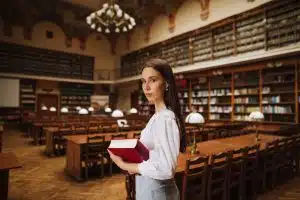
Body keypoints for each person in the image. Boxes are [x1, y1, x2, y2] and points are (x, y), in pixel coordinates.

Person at [108, 58, 186, 200]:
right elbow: (154, 157)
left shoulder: (165, 118)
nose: (146, 87)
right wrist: (133, 158)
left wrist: (123, 165)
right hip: (150, 187)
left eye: (153, 80)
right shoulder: (158, 116)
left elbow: (165, 169)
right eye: (144, 81)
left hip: (157, 192)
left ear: (166, 83)